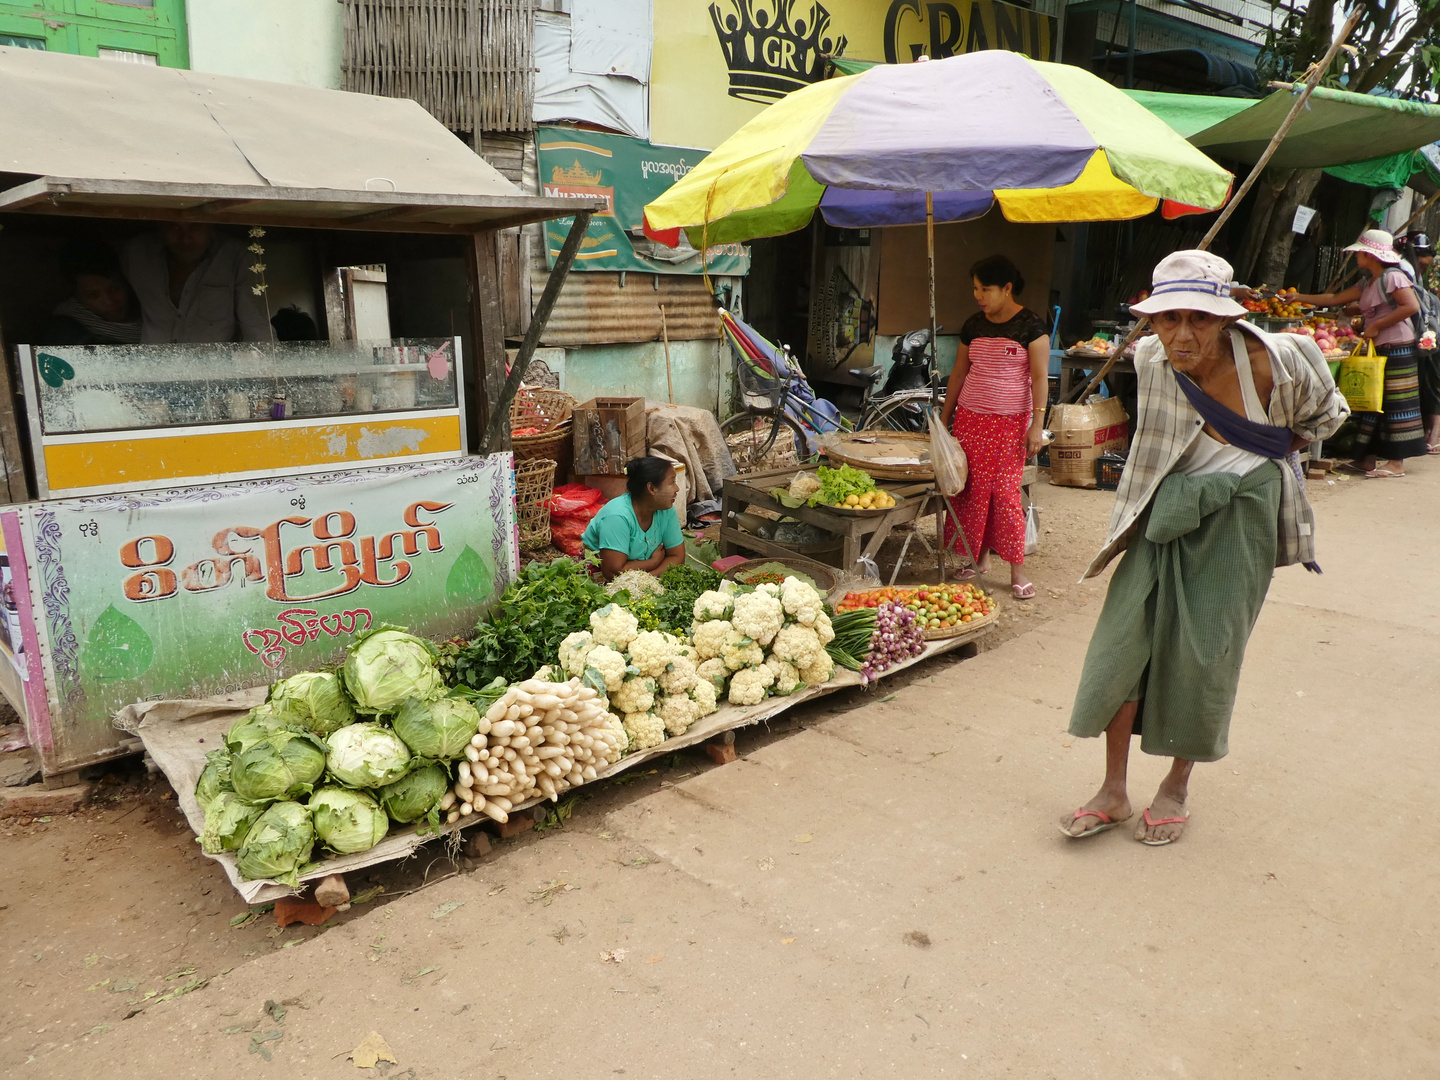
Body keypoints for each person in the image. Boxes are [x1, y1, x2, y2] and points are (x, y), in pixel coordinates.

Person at [1059, 251, 1348, 846]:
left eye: (1200, 319)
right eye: (1168, 319)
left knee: (1206, 653)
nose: (1183, 334)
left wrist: (1261, 457)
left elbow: (1328, 418)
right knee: (1122, 647)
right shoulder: (1148, 359)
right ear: (1151, 323)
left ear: (1226, 318)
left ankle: (1176, 786)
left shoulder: (1282, 359)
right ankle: (1113, 791)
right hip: (1164, 515)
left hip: (1242, 516)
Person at [938, 255, 1049, 599]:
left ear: (1007, 288)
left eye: (985, 288)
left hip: (1009, 425)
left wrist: (1036, 426)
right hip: (970, 421)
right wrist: (945, 420)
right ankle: (979, 559)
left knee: (1004, 495)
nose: (978, 296)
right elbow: (958, 373)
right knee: (971, 491)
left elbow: (1039, 379)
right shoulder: (973, 325)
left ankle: (1017, 571)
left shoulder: (1032, 327)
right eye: (975, 288)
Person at [1292, 229, 1425, 477]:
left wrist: (1376, 325)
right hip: (1379, 348)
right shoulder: (1369, 281)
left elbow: (1410, 306)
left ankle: (1396, 463)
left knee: (1394, 403)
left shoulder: (1392, 277)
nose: (1356, 258)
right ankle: (1367, 459)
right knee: (1371, 402)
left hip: (1397, 347)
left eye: (1359, 253)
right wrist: (1296, 298)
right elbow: (1333, 298)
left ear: (1370, 255)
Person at [121, 223, 271, 343]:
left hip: (210, 374)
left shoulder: (233, 256)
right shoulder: (137, 254)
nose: (185, 239)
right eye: (173, 227)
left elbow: (256, 325)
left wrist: (273, 374)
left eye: (195, 227)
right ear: (161, 228)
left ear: (211, 227)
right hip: (152, 371)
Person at [581, 456, 686, 582]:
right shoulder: (617, 516)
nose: (677, 489)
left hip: (640, 577)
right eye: (671, 482)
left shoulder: (666, 509)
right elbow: (613, 571)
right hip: (604, 578)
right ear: (651, 488)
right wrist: (654, 561)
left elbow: (677, 556)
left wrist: (650, 579)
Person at [39, 239, 141, 345]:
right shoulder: (67, 321)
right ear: (77, 295)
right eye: (93, 295)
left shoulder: (148, 309)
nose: (109, 301)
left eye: (114, 289)